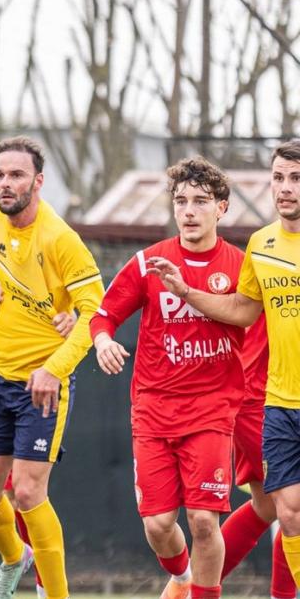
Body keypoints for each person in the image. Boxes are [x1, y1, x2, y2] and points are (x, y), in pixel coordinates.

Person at [91, 157, 246, 599]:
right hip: (154, 410)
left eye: (200, 201)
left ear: (223, 208)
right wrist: (102, 342)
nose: (189, 211)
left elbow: (259, 323)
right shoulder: (148, 263)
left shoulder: (240, 265)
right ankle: (180, 579)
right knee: (159, 525)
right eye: (181, 201)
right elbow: (103, 317)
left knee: (202, 519)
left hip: (214, 409)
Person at [148, 140, 300, 587]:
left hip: (256, 398)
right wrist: (187, 293)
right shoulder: (261, 245)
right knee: (282, 509)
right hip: (272, 401)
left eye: (295, 178)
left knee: (275, 507)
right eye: (278, 178)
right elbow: (243, 308)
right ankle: (193, 585)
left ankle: (188, 586)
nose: (285, 188)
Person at [0, 136, 103, 599]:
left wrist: (55, 368)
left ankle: (56, 595)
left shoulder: (62, 239)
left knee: (27, 492)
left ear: (38, 181)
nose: (6, 184)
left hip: (42, 382)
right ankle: (14, 558)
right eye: (0, 175)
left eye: (17, 175)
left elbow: (95, 315)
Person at [220, 320, 296, 599]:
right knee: (293, 506)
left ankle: (191, 588)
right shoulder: (269, 274)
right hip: (262, 397)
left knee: (265, 507)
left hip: (274, 394)